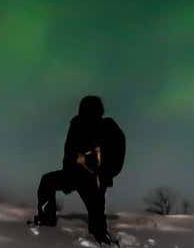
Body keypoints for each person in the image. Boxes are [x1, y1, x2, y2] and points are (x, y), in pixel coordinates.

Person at [34, 95, 126, 245]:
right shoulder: (76, 124)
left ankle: (100, 237)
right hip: (74, 173)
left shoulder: (108, 127)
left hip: (94, 177)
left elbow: (117, 152)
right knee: (47, 181)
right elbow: (69, 151)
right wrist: (71, 168)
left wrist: (106, 173)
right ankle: (46, 219)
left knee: (96, 211)